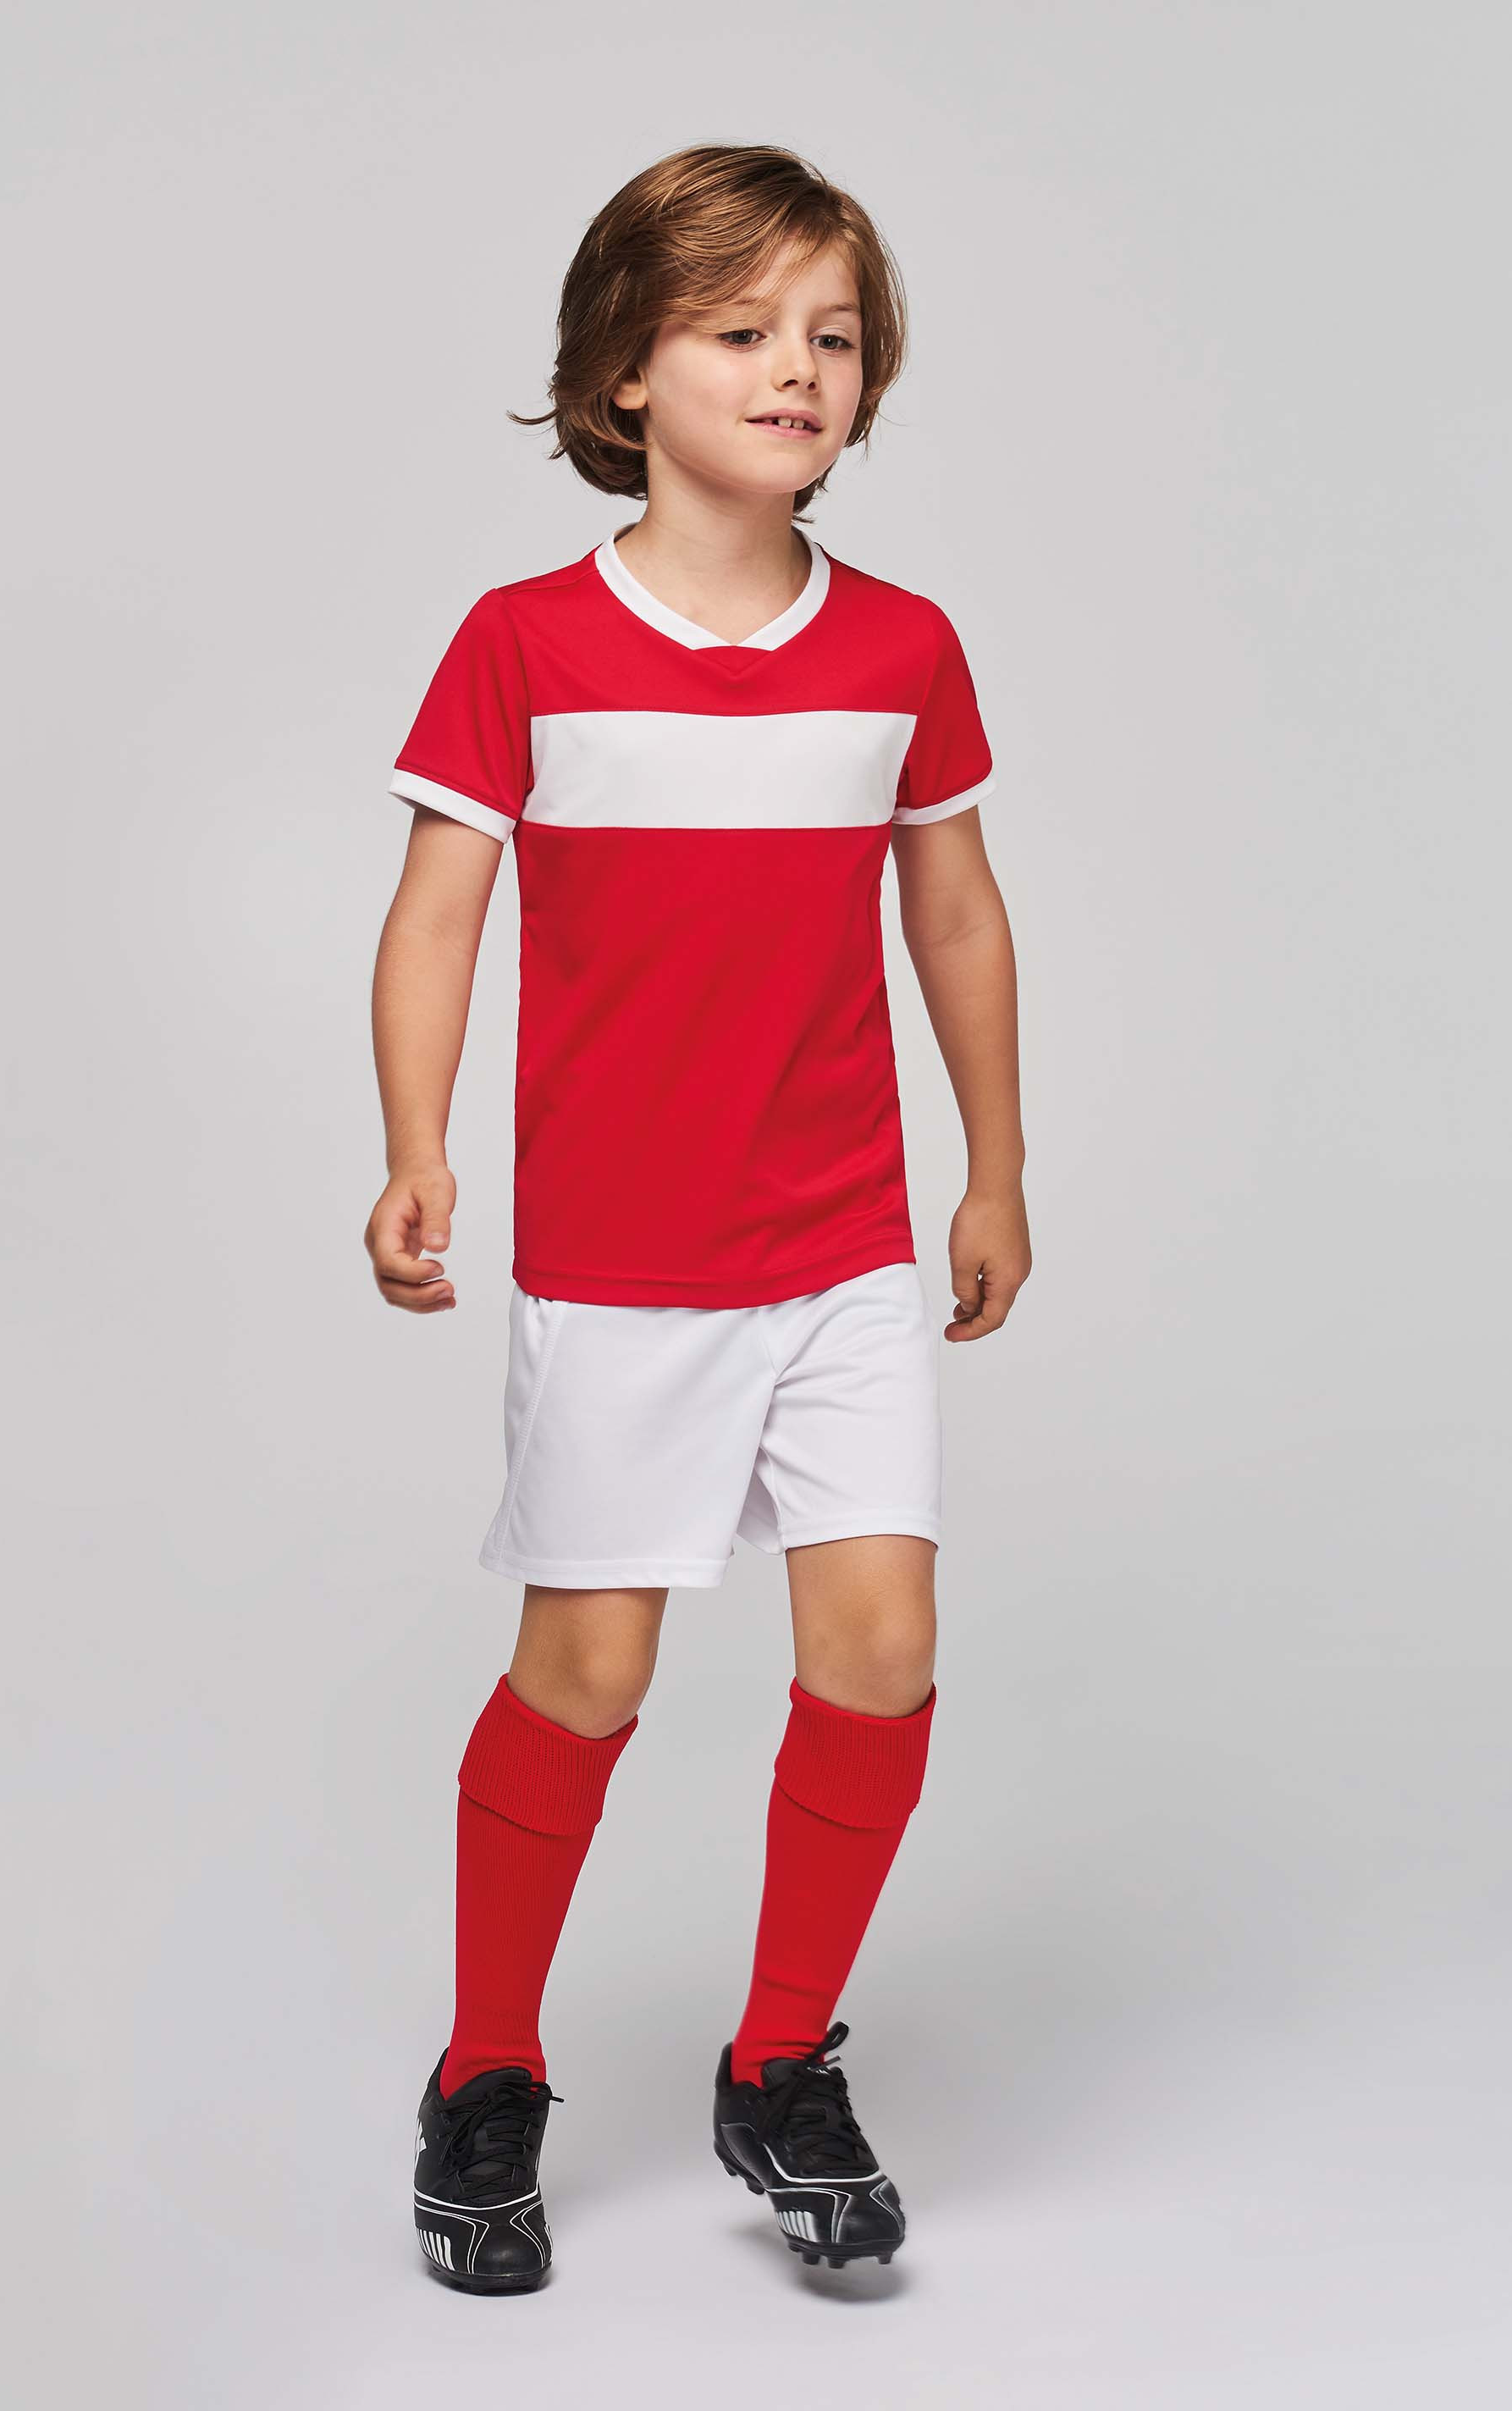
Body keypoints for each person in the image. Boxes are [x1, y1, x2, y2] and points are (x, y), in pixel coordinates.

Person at [366, 141, 1029, 2297]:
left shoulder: (901, 647)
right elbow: (436, 914)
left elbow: (952, 910)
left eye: (831, 334)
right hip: (619, 1266)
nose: (794, 367)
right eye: (740, 328)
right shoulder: (527, 643)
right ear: (623, 374)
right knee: (586, 1667)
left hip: (837, 1246)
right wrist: (413, 1142)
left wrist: (993, 1166)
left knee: (881, 1643)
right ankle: (485, 2071)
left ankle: (777, 2062)